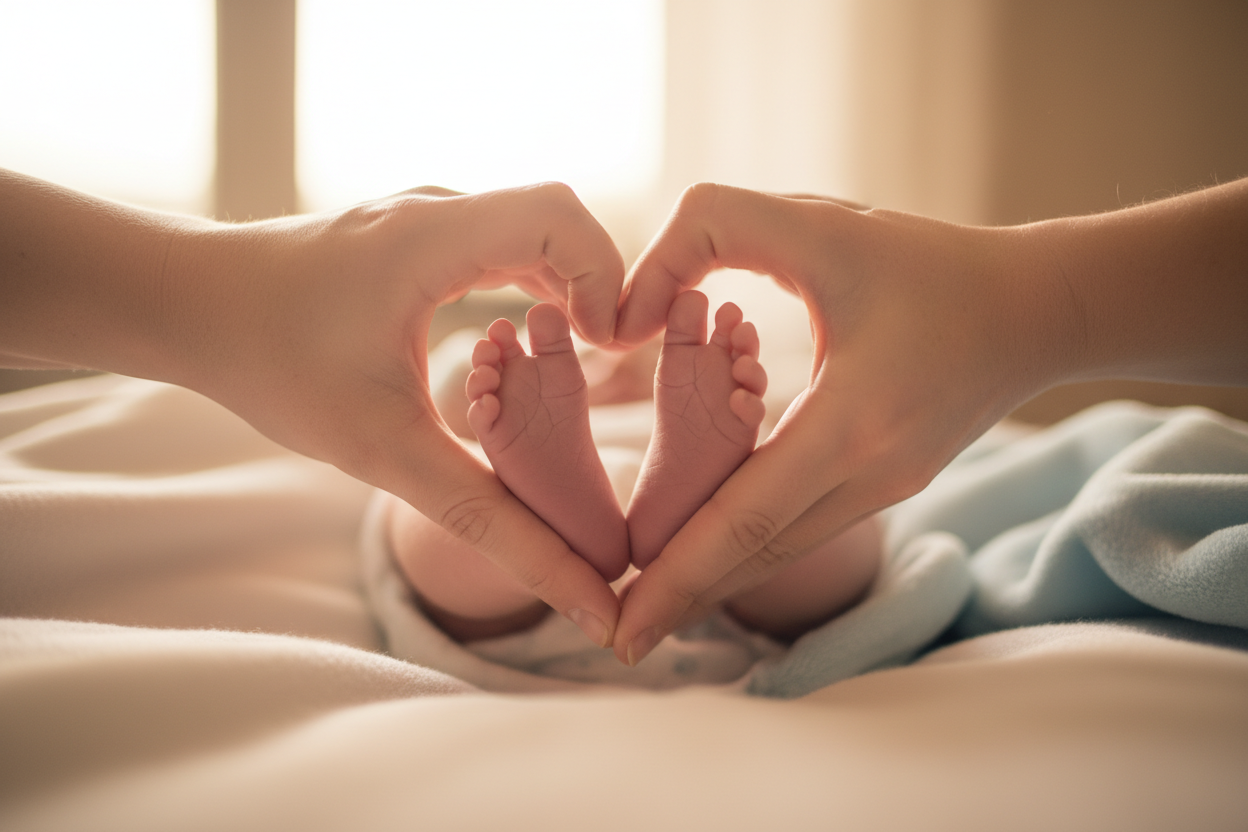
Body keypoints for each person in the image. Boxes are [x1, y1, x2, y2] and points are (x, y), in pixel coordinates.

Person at [607, 178, 1248, 666]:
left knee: (812, 509)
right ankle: (643, 500)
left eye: (610, 364)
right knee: (805, 519)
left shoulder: (757, 394)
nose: (603, 371)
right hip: (690, 505)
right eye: (587, 364)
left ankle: (651, 506)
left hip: (700, 518)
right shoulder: (617, 409)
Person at [0, 168, 627, 648]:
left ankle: (598, 515)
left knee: (448, 528)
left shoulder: (642, 408)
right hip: (555, 581)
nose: (610, 366)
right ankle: (565, 510)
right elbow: (444, 398)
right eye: (599, 363)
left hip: (633, 539)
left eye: (636, 365)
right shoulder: (490, 375)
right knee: (437, 518)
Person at [386, 293, 881, 644]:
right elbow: (438, 408)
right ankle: (550, 524)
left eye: (647, 361)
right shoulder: (506, 426)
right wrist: (467, 399)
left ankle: (690, 508)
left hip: (730, 553)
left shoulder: (723, 417)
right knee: (443, 483)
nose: (615, 370)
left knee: (810, 478)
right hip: (522, 514)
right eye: (587, 360)